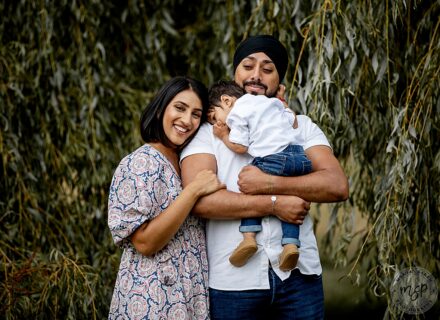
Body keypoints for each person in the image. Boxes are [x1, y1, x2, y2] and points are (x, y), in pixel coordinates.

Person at [180, 35, 349, 319]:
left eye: (267, 69)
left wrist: (271, 184)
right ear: (235, 71)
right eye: (248, 66)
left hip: (299, 277)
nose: (256, 75)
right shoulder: (207, 133)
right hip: (233, 281)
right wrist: (274, 204)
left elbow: (336, 185)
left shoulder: (300, 126)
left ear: (278, 79)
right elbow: (201, 202)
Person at [107, 76, 225, 319]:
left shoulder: (185, 163)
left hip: (189, 294)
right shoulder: (140, 162)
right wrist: (192, 191)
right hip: (152, 297)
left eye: (196, 114)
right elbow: (145, 243)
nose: (186, 120)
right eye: (180, 108)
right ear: (161, 109)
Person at [208, 80, 312, 271]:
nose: (218, 123)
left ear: (227, 101)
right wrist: (282, 99)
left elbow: (241, 147)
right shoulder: (270, 102)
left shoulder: (237, 112)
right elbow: (292, 118)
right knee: (291, 197)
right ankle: (290, 245)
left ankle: (249, 238)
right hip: (299, 157)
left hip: (273, 158)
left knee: (250, 185)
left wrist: (223, 135)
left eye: (215, 116)